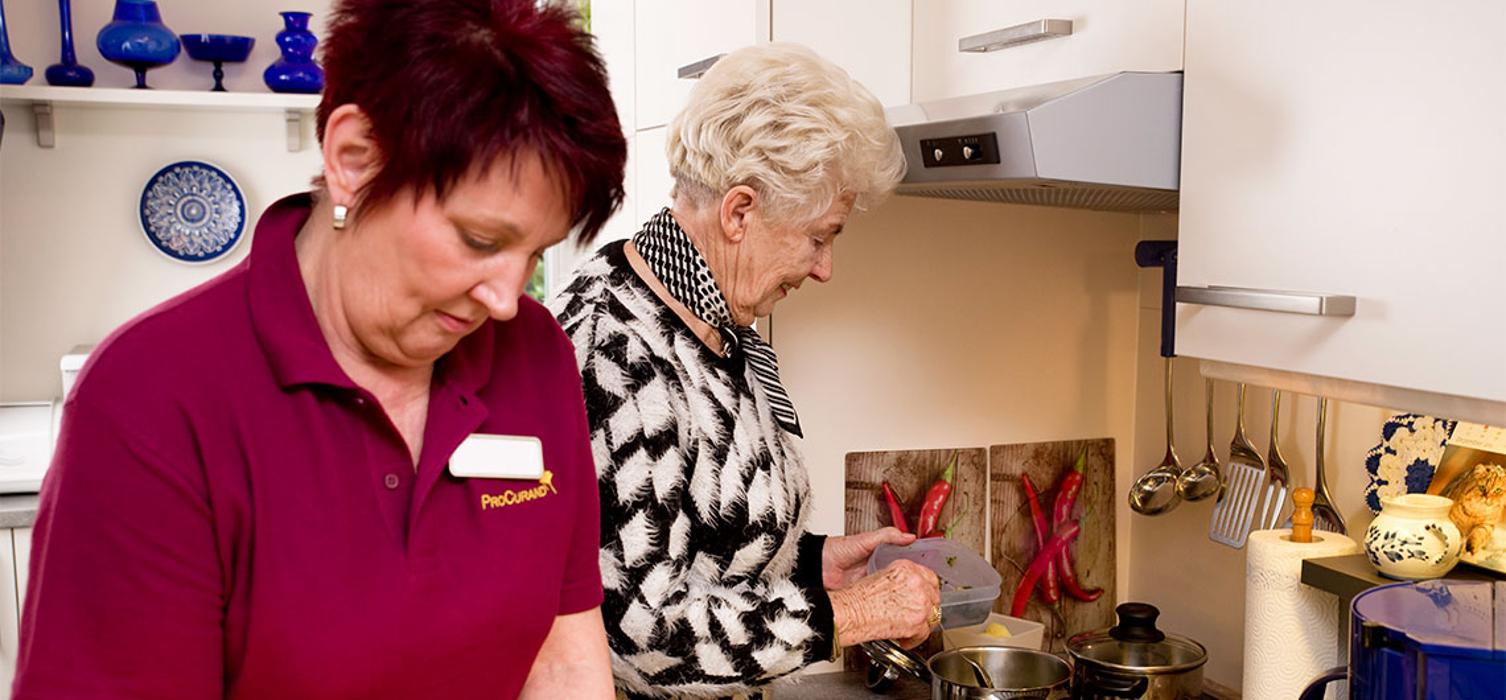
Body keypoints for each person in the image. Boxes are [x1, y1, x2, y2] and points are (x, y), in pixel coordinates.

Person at [14, 1, 625, 698]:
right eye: (480, 242)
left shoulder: (534, 353)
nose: (507, 298)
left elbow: (563, 651)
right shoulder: (149, 397)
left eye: (535, 252)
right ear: (355, 160)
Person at [553, 43, 939, 699]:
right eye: (820, 236)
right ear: (738, 212)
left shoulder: (713, 321)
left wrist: (813, 565)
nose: (824, 268)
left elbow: (697, 540)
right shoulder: (614, 350)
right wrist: (856, 613)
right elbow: (641, 634)